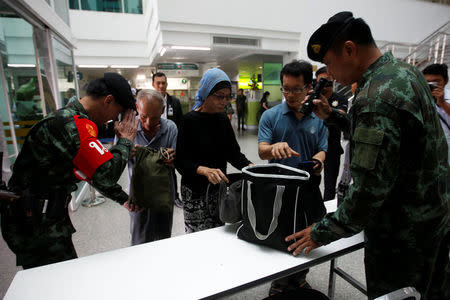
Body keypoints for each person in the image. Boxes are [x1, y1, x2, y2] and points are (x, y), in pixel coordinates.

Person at [286, 11, 449, 300]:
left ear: (350, 49)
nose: (330, 73)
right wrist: (335, 117)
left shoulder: (374, 96)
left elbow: (367, 193)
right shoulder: (405, 72)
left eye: (329, 63)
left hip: (401, 239)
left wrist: (322, 231)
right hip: (433, 222)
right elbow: (393, 141)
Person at [1, 73, 140, 269]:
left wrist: (123, 199)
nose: (113, 121)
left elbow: (90, 171)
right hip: (36, 225)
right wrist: (125, 141)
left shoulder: (71, 120)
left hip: (43, 219)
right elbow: (105, 174)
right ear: (108, 100)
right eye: (117, 114)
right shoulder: (72, 125)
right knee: (57, 283)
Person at [258, 60, 328, 295]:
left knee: (304, 235)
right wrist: (273, 148)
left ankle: (299, 278)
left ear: (309, 87)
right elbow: (261, 149)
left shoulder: (318, 117)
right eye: (285, 88)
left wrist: (318, 161)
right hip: (278, 190)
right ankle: (278, 282)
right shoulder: (271, 116)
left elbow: (322, 148)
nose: (289, 94)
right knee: (278, 237)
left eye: (296, 89)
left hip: (308, 188)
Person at [175, 68, 252, 233]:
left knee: (218, 232)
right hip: (194, 191)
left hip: (218, 190)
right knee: (197, 237)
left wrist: (251, 167)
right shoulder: (188, 121)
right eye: (219, 96)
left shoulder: (223, 120)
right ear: (206, 92)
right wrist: (203, 170)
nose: (224, 101)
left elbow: (233, 153)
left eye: (227, 97)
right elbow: (181, 161)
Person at [124, 90, 178, 245]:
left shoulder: (171, 129)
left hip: (164, 194)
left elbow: (180, 162)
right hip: (138, 195)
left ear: (162, 110)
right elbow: (114, 163)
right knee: (139, 239)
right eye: (143, 117)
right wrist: (124, 152)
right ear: (137, 107)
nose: (148, 123)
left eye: (154, 117)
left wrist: (174, 159)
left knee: (163, 239)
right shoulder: (127, 128)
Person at [315, 67, 348, 201]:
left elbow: (342, 115)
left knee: (329, 186)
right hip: (314, 147)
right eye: (320, 82)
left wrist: (328, 110)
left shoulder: (339, 98)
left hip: (332, 148)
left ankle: (326, 215)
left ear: (333, 81)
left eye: (327, 81)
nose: (324, 85)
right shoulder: (313, 98)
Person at [152, 72, 183, 208]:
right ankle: (155, 196)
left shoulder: (174, 102)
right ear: (153, 84)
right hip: (153, 138)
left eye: (163, 83)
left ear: (167, 84)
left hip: (170, 138)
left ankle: (174, 196)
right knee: (154, 168)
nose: (161, 86)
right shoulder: (149, 100)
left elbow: (181, 122)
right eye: (158, 83)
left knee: (171, 168)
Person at [423, 64, 450, 163]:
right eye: (428, 82)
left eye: (436, 82)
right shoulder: (419, 98)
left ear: (446, 80)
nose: (432, 85)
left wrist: (442, 103)